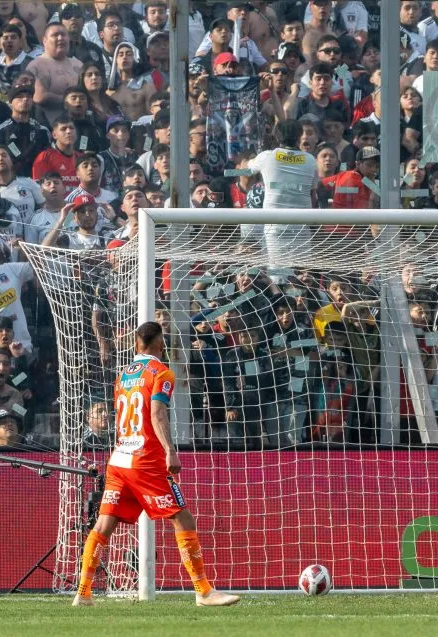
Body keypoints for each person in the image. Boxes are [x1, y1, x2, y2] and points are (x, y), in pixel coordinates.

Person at [73, 322, 239, 607]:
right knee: (182, 518)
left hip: (119, 458)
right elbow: (157, 413)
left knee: (104, 523)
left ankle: (83, 593)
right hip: (145, 460)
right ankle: (204, 592)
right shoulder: (161, 373)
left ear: (136, 344)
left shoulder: (123, 375)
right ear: (160, 343)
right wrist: (170, 450)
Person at [246, 120, 319, 266]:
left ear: (276, 136)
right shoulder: (311, 160)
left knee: (278, 273)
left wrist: (241, 163)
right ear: (300, 135)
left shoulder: (267, 156)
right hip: (301, 227)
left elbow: (247, 170)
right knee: (302, 274)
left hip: (275, 227)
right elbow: (313, 193)